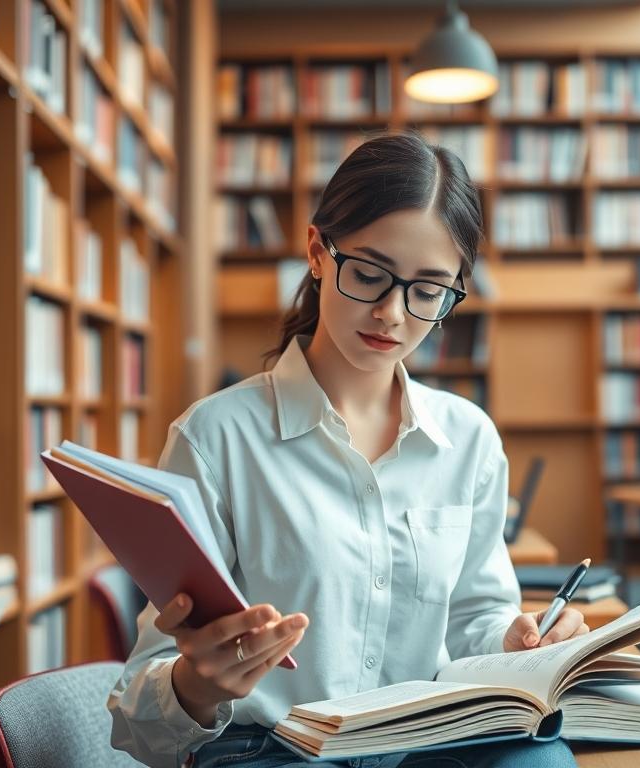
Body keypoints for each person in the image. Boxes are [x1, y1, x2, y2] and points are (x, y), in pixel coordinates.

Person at [106, 133, 586, 768]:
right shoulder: (216, 436)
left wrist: (520, 640)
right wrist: (196, 685)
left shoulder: (467, 438)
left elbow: (475, 614)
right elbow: (140, 715)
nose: (392, 312)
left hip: (424, 742)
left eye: (428, 290)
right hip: (273, 749)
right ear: (317, 253)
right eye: (368, 274)